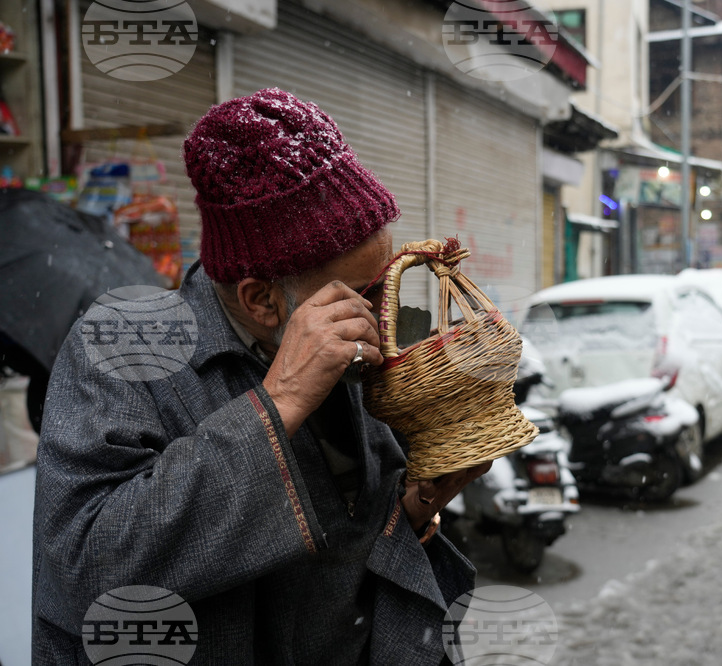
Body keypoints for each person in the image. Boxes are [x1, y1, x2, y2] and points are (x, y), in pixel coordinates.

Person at [32, 88, 489, 664]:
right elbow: (87, 568)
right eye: (363, 294)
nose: (383, 315)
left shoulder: (350, 357)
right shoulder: (124, 349)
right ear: (261, 300)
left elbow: (350, 548)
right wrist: (281, 399)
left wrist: (417, 508)